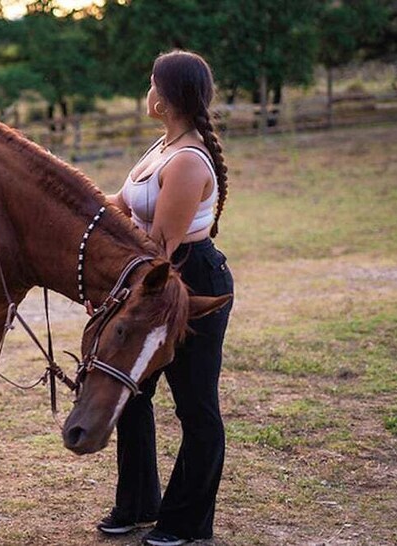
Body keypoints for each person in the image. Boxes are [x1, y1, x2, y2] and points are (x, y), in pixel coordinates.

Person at [98, 49, 234, 546]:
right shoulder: (161, 147)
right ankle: (137, 505)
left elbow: (159, 244)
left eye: (151, 82)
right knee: (134, 394)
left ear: (166, 95)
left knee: (196, 407)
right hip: (157, 278)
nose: (146, 90)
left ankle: (185, 522)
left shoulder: (188, 160)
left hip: (192, 281)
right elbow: (119, 204)